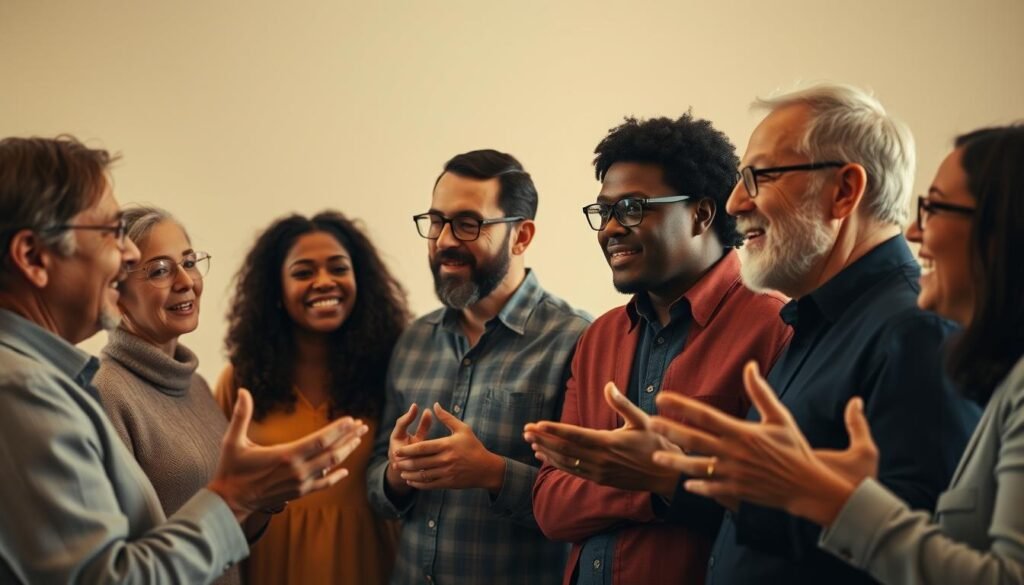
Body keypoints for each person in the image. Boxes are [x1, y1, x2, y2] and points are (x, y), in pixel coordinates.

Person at [649, 124, 1024, 584]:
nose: (914, 228)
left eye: (937, 207)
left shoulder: (915, 330)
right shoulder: (813, 320)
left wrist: (839, 502)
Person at [0, 135, 367, 584]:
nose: (128, 254)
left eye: (188, 262)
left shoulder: (166, 382)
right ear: (33, 257)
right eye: (111, 233)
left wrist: (256, 497)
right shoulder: (26, 390)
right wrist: (236, 497)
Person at [524, 114, 792, 585]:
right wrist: (648, 489)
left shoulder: (775, 326)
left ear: (702, 214)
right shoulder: (599, 336)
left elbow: (778, 512)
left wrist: (651, 478)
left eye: (630, 208)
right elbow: (550, 506)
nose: (609, 228)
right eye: (603, 211)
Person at [366, 149, 591, 585]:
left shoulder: (577, 341)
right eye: (436, 222)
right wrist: (396, 473)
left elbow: (588, 499)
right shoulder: (412, 341)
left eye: (468, 224)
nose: (445, 240)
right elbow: (376, 487)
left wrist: (492, 473)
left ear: (521, 237)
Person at [215, 210, 408, 584]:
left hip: (367, 563)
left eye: (338, 268)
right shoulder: (240, 381)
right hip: (270, 564)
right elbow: (217, 492)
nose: (324, 282)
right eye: (303, 272)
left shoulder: (391, 371)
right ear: (275, 290)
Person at [93, 206, 252, 585]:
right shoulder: (105, 392)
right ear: (116, 290)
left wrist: (265, 495)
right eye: (160, 270)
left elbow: (225, 525)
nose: (186, 281)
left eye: (189, 262)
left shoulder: (194, 384)